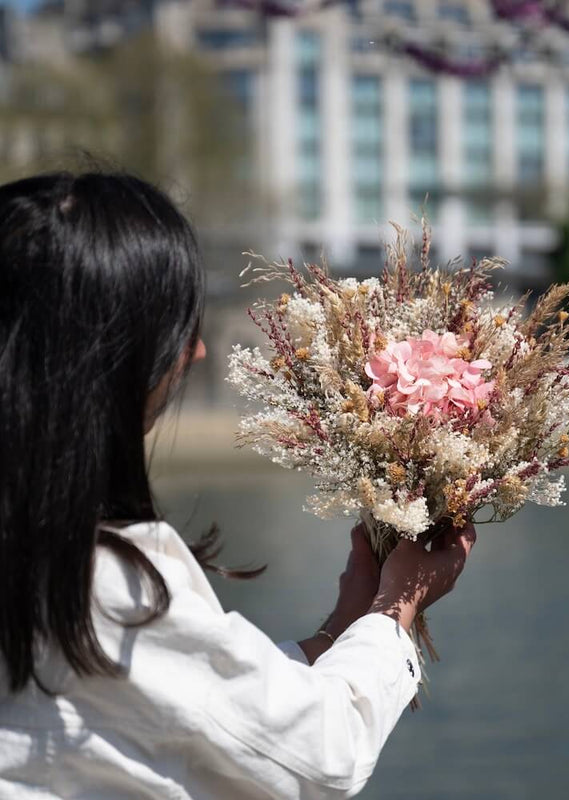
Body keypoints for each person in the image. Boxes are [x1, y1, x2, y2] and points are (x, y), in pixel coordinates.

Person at [0, 172, 476, 799]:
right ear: (106, 356)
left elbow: (183, 703)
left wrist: (340, 630)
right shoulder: (96, 583)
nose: (195, 351)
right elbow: (323, 756)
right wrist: (397, 608)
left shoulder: (38, 553)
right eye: (174, 326)